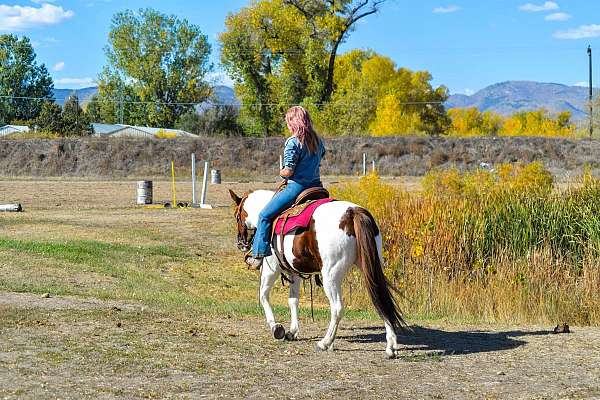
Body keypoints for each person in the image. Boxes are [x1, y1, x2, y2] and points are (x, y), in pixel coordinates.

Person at [245, 106, 326, 269]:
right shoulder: (318, 141)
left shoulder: (293, 142)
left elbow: (288, 171)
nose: (288, 126)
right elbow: (321, 158)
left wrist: (282, 172)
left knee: (264, 215)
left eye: (288, 122)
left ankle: (259, 254)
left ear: (293, 123)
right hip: (317, 188)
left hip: (297, 188)